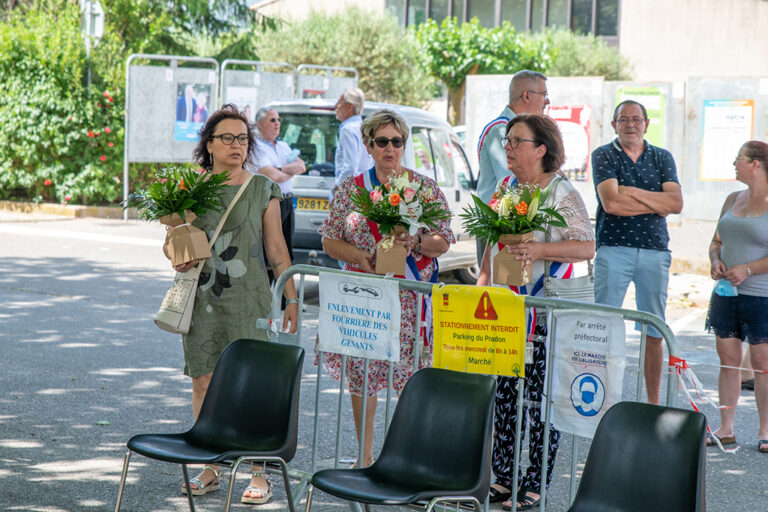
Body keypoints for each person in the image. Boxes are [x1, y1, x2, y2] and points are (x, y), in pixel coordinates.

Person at [165, 104, 299, 504]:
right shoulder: (190, 189)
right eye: (227, 138)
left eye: (243, 138)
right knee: (204, 379)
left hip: (251, 299)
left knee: (253, 384)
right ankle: (212, 464)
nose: (236, 145)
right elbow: (175, 243)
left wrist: (291, 297)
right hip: (201, 299)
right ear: (209, 144)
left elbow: (277, 249)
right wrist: (177, 252)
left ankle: (259, 471)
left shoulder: (262, 188)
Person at [318, 109, 454, 467]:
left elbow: (445, 240)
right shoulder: (351, 189)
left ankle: (406, 457)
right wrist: (361, 256)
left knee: (411, 379)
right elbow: (330, 242)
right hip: (364, 300)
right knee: (362, 377)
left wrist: (416, 241)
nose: (390, 148)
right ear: (368, 145)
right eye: (382, 142)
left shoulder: (423, 186)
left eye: (397, 141)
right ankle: (364, 456)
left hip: (410, 300)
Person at [477, 115, 594, 510]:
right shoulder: (506, 186)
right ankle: (503, 477)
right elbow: (494, 239)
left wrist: (541, 251)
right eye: (507, 141)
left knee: (541, 400)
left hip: (546, 314)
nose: (507, 147)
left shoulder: (560, 191)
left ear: (541, 149)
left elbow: (585, 246)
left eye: (516, 141)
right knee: (506, 398)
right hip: (508, 311)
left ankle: (535, 479)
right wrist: (483, 279)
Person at [591, 100, 683, 405]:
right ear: (614, 124)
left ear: (646, 123)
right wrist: (657, 200)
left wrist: (633, 192)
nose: (630, 125)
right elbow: (612, 204)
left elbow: (676, 204)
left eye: (636, 119)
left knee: (654, 330)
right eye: (624, 120)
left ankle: (652, 403)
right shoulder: (603, 155)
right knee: (603, 326)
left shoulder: (662, 157)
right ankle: (601, 399)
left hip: (655, 251)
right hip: (613, 249)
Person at [705, 140, 768, 453]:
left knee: (762, 364)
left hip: (762, 296)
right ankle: (725, 428)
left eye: (738, 159)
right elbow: (716, 240)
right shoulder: (732, 198)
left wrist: (749, 269)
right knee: (728, 362)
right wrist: (715, 259)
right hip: (726, 294)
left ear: (755, 164)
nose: (734, 163)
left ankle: (765, 430)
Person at [475, 70, 550, 267]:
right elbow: (517, 182)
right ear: (527, 95)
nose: (547, 102)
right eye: (544, 95)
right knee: (498, 291)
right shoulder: (502, 129)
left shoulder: (509, 128)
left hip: (513, 226)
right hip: (501, 229)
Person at [248, 107, 306, 273]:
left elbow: (301, 166)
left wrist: (280, 168)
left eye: (278, 120)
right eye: (272, 120)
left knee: (286, 252)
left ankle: (282, 297)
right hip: (270, 203)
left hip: (287, 202)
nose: (277, 123)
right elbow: (273, 176)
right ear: (260, 124)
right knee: (270, 253)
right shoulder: (256, 147)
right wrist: (286, 170)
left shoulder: (283, 146)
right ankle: (267, 295)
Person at [331, 87, 373, 200]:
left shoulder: (347, 129)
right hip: (364, 191)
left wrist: (337, 186)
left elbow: (350, 166)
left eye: (339, 102)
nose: (335, 106)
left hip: (350, 193)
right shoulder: (365, 128)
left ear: (349, 106)